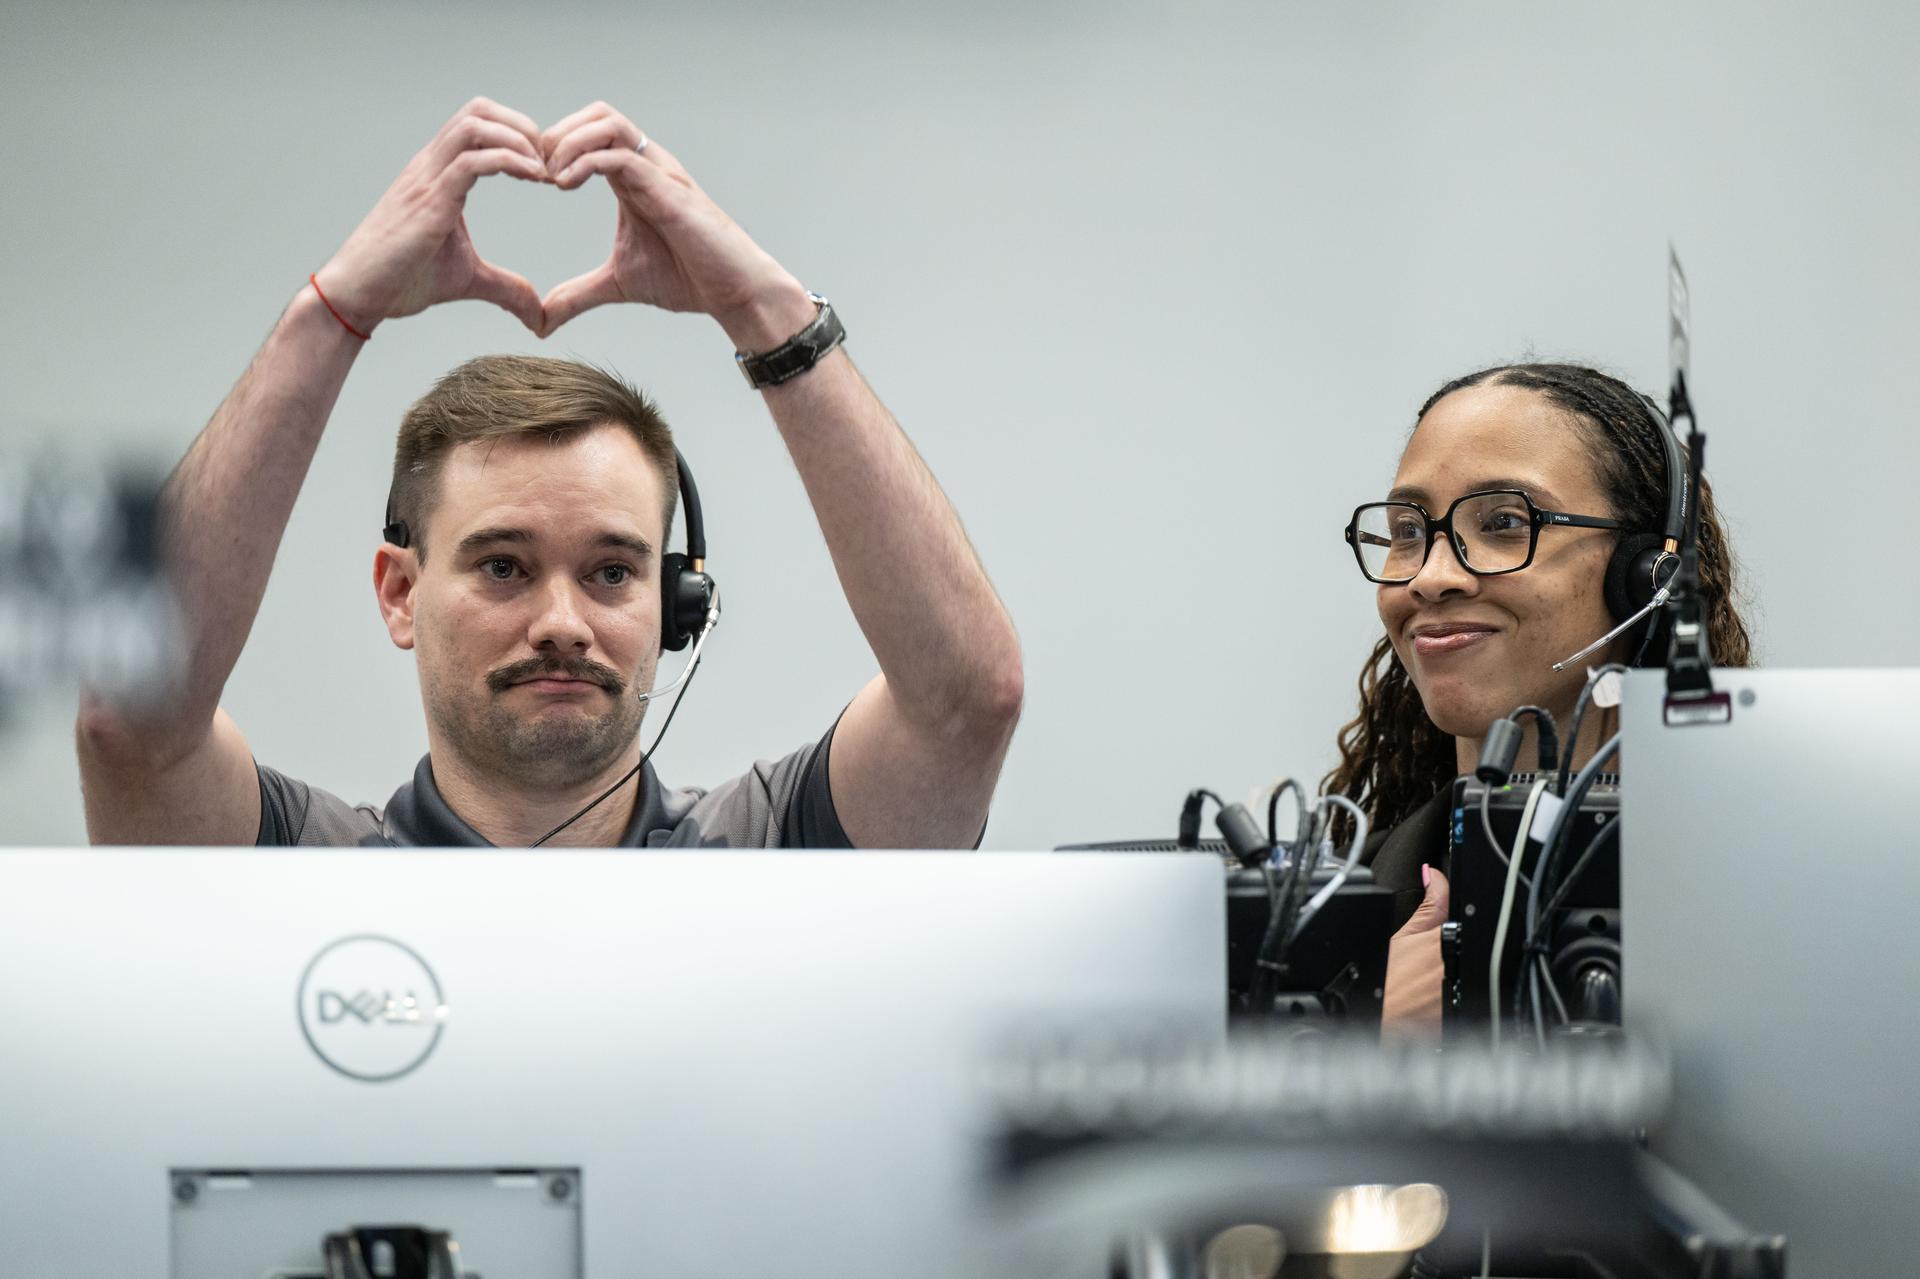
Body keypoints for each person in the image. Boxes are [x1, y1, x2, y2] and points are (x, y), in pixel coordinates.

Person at [75, 98, 1023, 849]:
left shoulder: (769, 850)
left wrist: (763, 310)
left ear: (676, 599)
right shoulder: (306, 871)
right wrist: (331, 315)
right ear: (400, 592)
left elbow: (967, 702)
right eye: (503, 566)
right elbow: (129, 723)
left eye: (613, 570)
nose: (563, 623)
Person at [1323, 362, 1753, 1033]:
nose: (1431, 577)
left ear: (1646, 575)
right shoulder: (1317, 924)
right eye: (1408, 531)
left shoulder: (1771, 904)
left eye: (1503, 520)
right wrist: (1367, 1062)